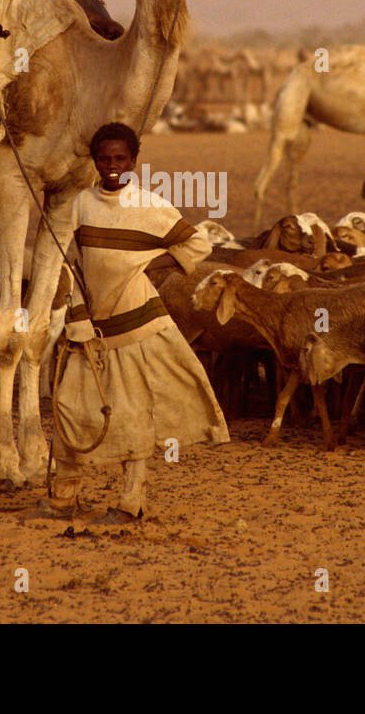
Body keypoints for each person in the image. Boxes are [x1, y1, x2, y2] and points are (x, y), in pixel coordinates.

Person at [43, 122, 229, 525]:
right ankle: (63, 498)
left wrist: (145, 263)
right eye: (105, 159)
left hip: (138, 321)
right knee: (68, 405)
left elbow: (198, 244)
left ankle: (132, 502)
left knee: (131, 413)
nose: (113, 166)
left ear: (134, 161)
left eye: (120, 159)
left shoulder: (150, 206)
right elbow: (64, 255)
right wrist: (74, 309)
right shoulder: (80, 204)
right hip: (90, 322)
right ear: (94, 162)